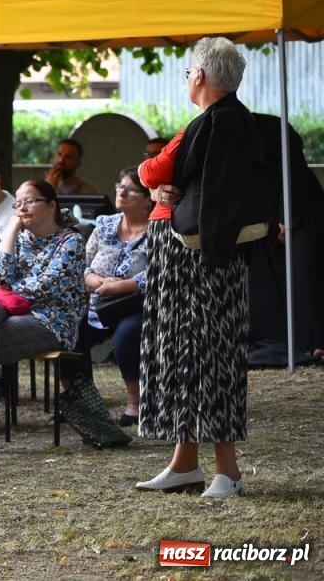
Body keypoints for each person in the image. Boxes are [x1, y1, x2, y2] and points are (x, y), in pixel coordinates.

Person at [136, 36, 264, 499]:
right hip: (189, 259)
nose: (188, 77)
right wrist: (159, 186)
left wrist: (157, 183)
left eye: (189, 70)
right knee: (184, 358)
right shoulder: (221, 121)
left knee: (208, 357)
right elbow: (163, 179)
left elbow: (153, 171)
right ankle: (185, 462)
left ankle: (226, 471)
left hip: (199, 261)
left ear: (201, 75)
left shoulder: (218, 121)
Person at [0, 179, 86, 455]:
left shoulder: (71, 241)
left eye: (30, 201)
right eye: (18, 203)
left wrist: (10, 287)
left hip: (52, 322)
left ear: (51, 205)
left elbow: (47, 286)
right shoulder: (20, 238)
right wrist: (12, 229)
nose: (22, 208)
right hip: (15, 314)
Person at [70, 168, 151, 425]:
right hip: (98, 304)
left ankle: (135, 403)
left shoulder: (160, 229)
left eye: (131, 189)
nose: (121, 192)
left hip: (137, 306)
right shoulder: (104, 224)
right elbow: (80, 264)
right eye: (120, 185)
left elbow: (163, 272)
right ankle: (81, 401)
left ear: (149, 199)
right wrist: (94, 281)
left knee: (127, 335)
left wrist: (124, 286)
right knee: (68, 331)